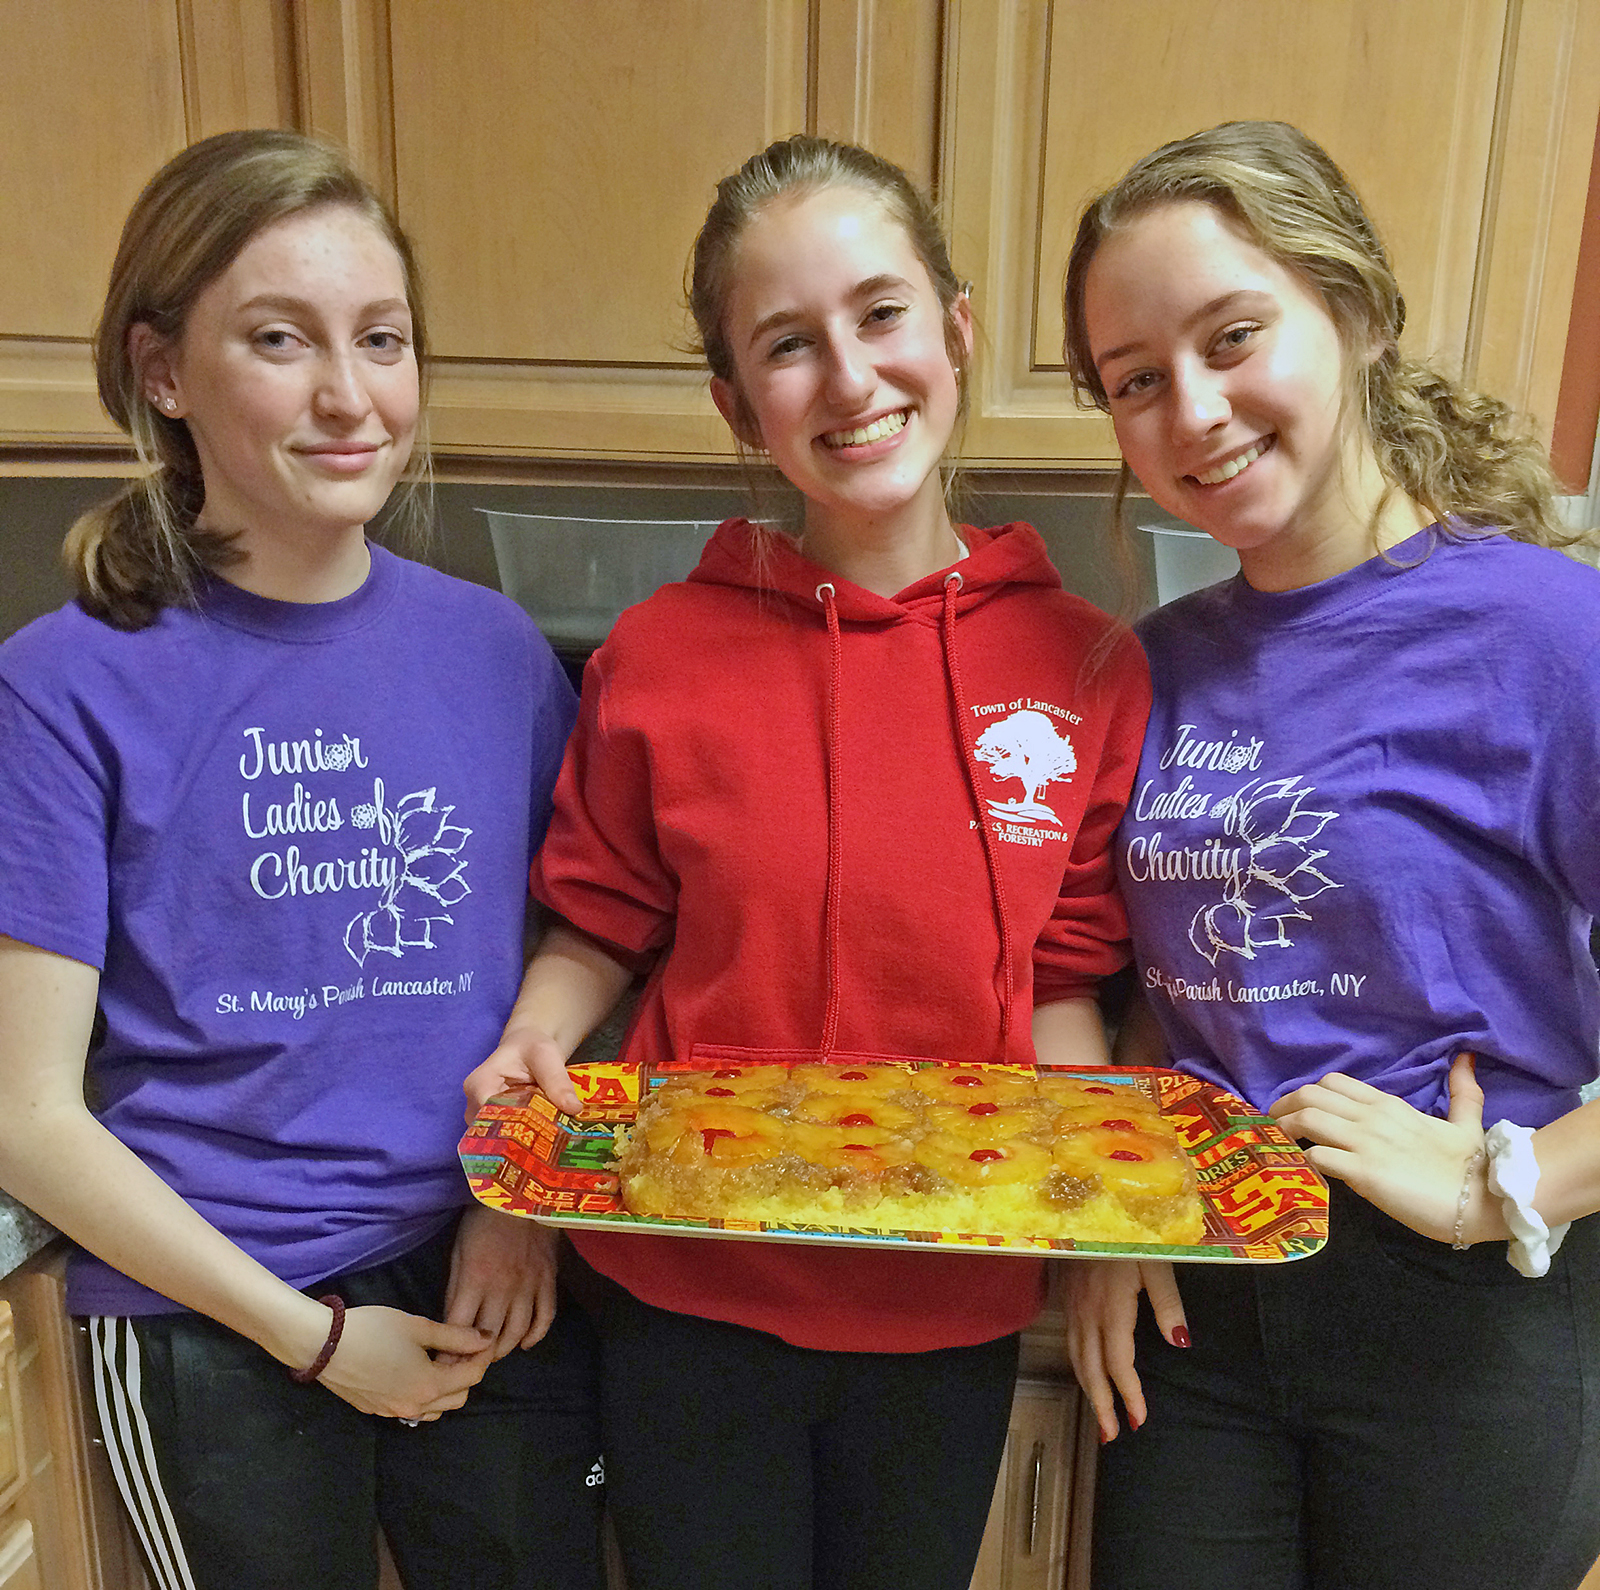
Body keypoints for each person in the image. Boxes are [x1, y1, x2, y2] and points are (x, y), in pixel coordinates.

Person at [464, 133, 1151, 1590]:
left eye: (881, 313)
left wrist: (1103, 1205)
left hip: (950, 1305)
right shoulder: (658, 655)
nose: (850, 378)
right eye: (789, 343)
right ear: (736, 399)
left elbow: (1065, 982)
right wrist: (531, 1053)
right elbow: (599, 926)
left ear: (957, 332)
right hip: (681, 1294)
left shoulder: (1086, 662)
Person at [0, 130, 603, 1590]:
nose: (351, 395)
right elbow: (26, 1117)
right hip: (210, 1321)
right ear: (162, 371)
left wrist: (510, 1207)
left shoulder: (497, 653)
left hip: (485, 1279)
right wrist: (315, 1336)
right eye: (281, 339)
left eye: (381, 340)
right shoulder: (66, 684)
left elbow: (563, 978)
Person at [1059, 119, 1600, 1589]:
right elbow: (1157, 979)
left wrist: (1519, 1180)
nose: (1195, 409)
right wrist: (1116, 1204)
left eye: (1235, 336)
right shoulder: (1151, 666)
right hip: (1201, 1311)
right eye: (1137, 382)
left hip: (1465, 1318)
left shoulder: (1549, 634)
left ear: (1351, 309)